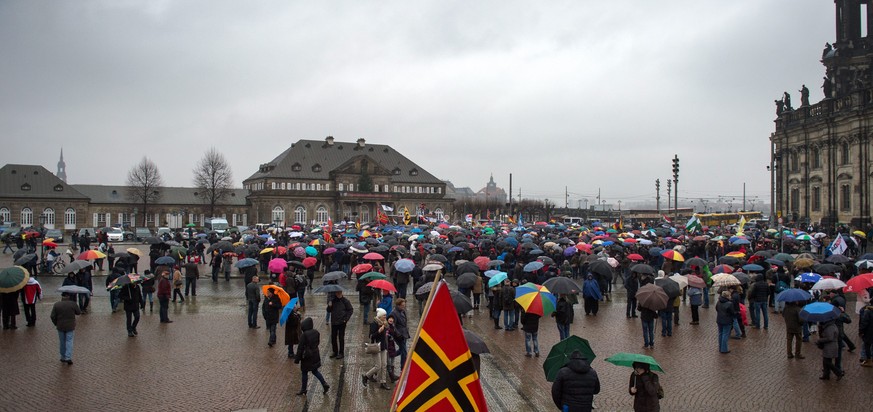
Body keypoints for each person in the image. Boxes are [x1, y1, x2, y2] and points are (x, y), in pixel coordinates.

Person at [294, 317, 330, 396]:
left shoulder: (304, 335)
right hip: (315, 354)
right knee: (315, 371)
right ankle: (324, 384)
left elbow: (300, 348)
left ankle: (303, 389)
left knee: (304, 372)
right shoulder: (316, 332)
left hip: (307, 357)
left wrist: (297, 359)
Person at [363, 308, 391, 390]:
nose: (385, 317)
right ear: (380, 316)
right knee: (378, 366)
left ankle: (383, 382)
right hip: (376, 347)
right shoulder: (374, 324)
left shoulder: (384, 323)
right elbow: (371, 336)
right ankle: (366, 376)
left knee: (384, 365)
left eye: (385, 315)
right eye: (384, 316)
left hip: (383, 346)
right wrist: (379, 331)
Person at [51, 293, 81, 365]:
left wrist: (56, 323)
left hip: (60, 326)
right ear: (69, 296)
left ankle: (62, 356)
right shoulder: (72, 304)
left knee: (62, 341)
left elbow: (52, 316)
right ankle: (68, 357)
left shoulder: (57, 304)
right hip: (70, 326)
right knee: (69, 341)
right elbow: (78, 312)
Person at [328, 289, 353, 359]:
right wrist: (329, 306)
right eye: (337, 293)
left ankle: (341, 353)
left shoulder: (345, 301)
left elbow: (350, 310)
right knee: (333, 337)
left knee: (341, 338)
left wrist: (346, 319)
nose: (338, 294)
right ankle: (335, 352)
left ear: (341, 293)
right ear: (335, 293)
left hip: (342, 322)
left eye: (339, 292)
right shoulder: (333, 300)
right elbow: (328, 310)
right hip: (334, 322)